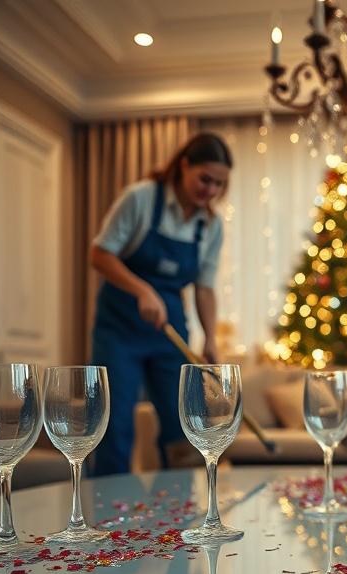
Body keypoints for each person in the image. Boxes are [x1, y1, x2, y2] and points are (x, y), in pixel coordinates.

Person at [89, 132, 232, 476]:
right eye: (205, 179)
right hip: (119, 328)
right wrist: (142, 290)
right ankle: (108, 521)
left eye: (219, 184)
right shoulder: (141, 198)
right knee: (115, 424)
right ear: (184, 165)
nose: (210, 190)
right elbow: (100, 253)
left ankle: (178, 522)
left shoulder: (210, 227)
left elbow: (204, 289)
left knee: (181, 423)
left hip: (170, 329)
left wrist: (210, 338)